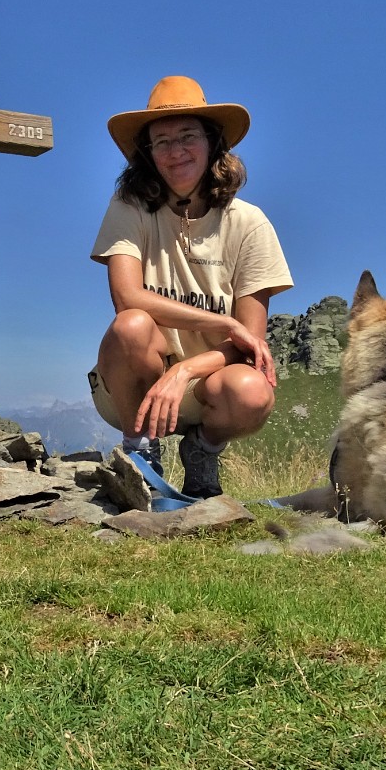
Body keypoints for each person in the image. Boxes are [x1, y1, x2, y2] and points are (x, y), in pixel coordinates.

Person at [88, 75, 292, 500]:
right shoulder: (129, 206)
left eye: (187, 136)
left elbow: (249, 344)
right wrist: (223, 322)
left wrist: (184, 371)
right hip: (136, 387)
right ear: (147, 154)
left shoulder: (249, 223)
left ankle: (203, 451)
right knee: (132, 325)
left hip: (204, 386)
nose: (175, 151)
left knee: (252, 390)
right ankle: (141, 452)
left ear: (213, 142)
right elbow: (126, 297)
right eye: (160, 142)